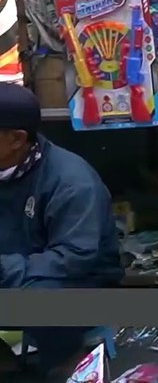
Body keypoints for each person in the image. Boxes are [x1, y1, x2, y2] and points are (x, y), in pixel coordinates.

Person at [0, 84, 123, 380]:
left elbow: (73, 259)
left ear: (16, 139)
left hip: (78, 283)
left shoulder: (71, 182)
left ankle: (67, 365)